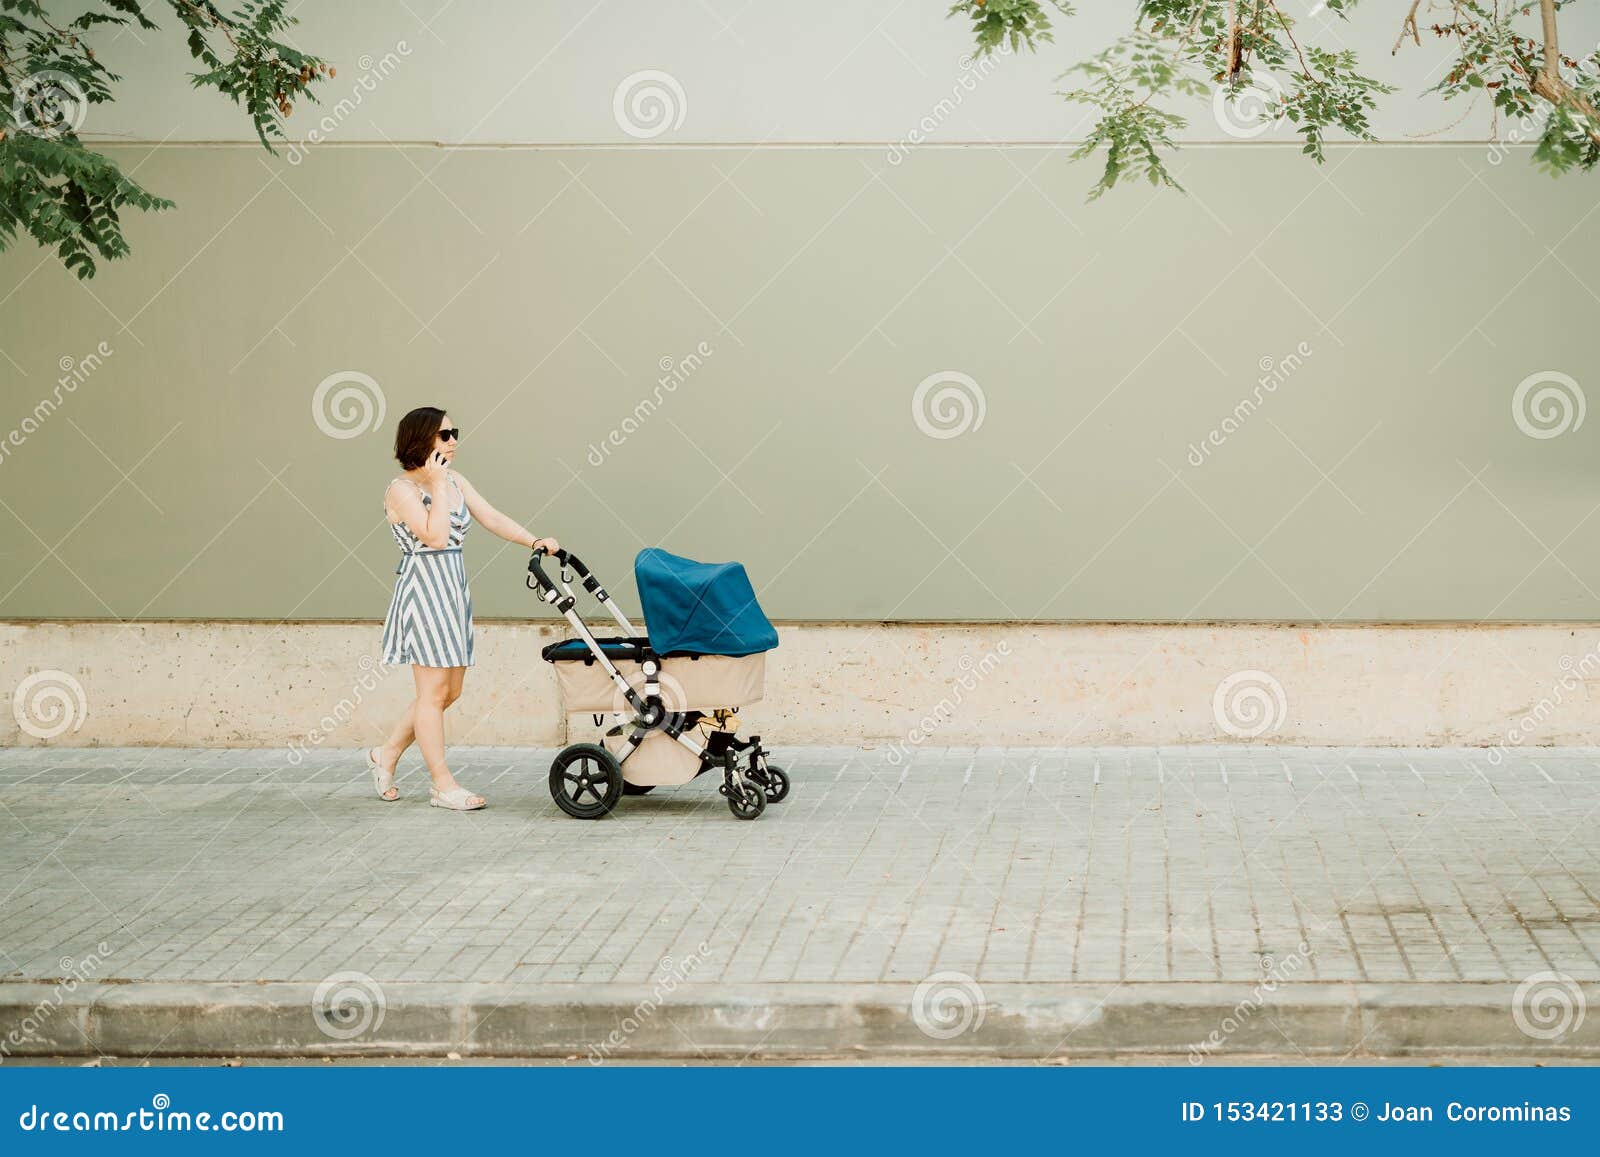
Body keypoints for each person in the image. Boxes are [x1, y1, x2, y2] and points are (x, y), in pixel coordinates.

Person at [365, 406, 558, 810]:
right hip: (424, 591)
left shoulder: (455, 480)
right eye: (445, 435)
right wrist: (434, 484)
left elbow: (490, 516)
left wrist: (533, 539)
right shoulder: (401, 490)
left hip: (452, 589)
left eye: (455, 433)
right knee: (432, 693)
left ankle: (386, 753)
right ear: (421, 441)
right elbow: (435, 537)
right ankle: (443, 785)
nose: (454, 441)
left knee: (449, 691)